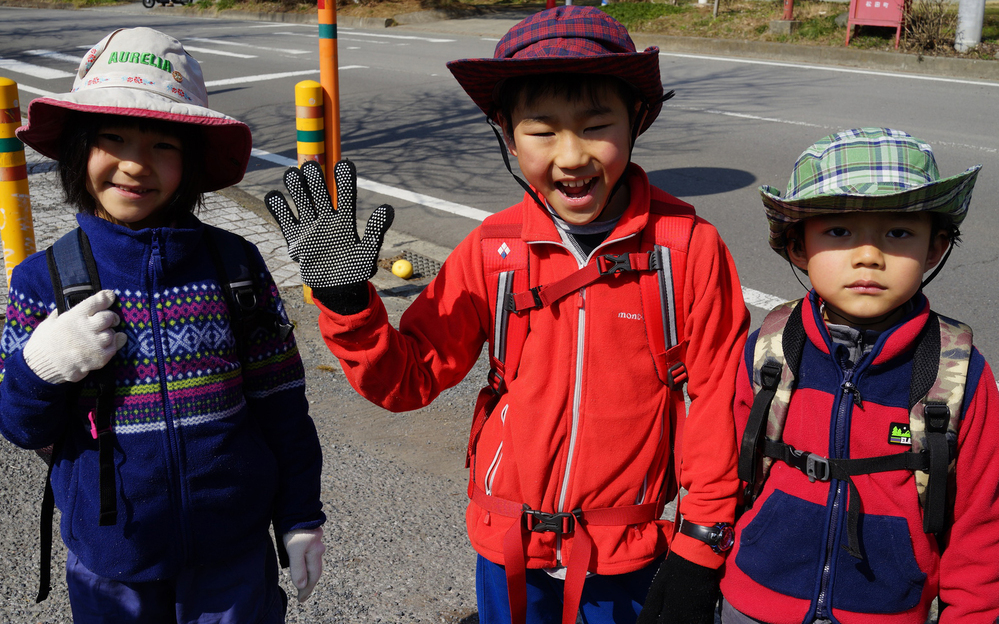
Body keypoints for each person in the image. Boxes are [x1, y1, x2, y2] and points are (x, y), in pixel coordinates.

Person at [265, 7, 749, 624]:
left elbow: (716, 403)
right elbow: (409, 378)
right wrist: (347, 306)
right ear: (506, 131)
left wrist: (702, 541)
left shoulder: (687, 249)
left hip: (627, 550)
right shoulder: (492, 252)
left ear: (637, 121)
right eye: (542, 131)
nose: (571, 156)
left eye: (598, 124)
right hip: (511, 548)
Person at [0, 28, 325, 623]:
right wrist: (38, 367)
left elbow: (282, 404)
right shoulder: (41, 282)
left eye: (163, 145)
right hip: (110, 564)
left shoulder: (237, 265)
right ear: (78, 149)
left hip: (235, 555)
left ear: (192, 161)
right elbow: (21, 426)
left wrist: (301, 515)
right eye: (112, 139)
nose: (134, 163)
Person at [719, 127, 999, 624]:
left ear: (934, 249)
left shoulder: (957, 373)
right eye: (839, 231)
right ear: (797, 248)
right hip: (755, 599)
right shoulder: (770, 349)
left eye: (897, 233)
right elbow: (721, 472)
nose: (868, 255)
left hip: (886, 610)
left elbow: (981, 524)